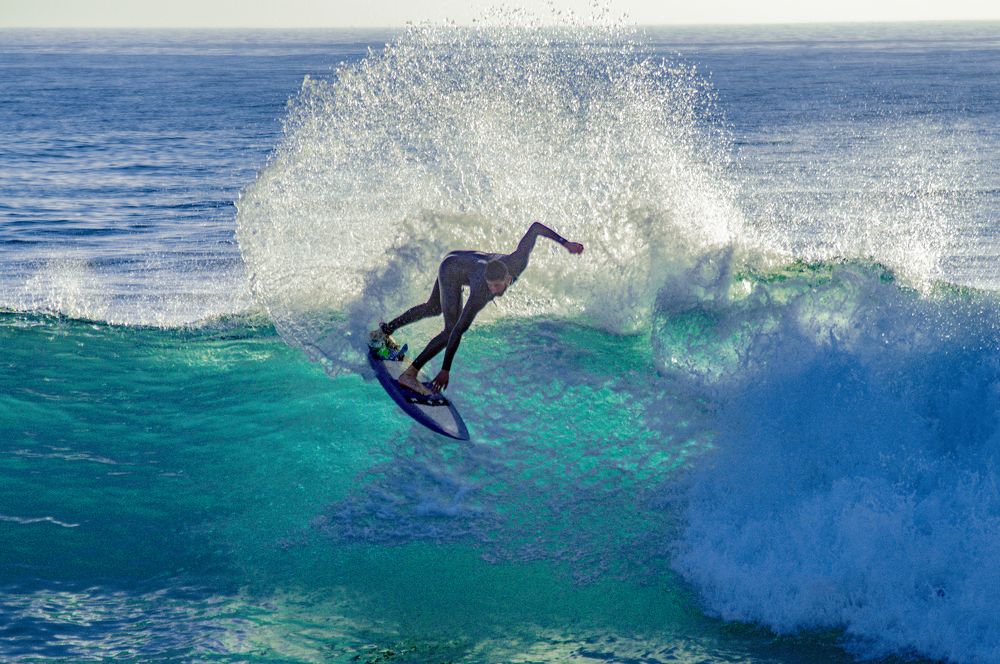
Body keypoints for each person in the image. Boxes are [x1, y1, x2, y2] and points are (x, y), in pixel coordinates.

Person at [372, 221, 584, 395]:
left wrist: (566, 243)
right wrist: (446, 369)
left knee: (433, 307)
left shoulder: (518, 260)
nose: (494, 291)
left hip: (458, 259)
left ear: (508, 278)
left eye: (497, 286)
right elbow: (456, 332)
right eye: (491, 287)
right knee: (449, 328)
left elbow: (536, 227)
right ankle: (409, 375)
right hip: (452, 269)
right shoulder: (481, 292)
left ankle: (384, 331)